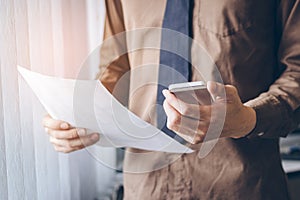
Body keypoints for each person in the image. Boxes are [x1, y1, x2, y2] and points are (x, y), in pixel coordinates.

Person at [43, 0, 300, 199]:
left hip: (242, 186)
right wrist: (82, 116)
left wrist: (247, 119)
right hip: (146, 186)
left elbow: (296, 70)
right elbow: (116, 68)